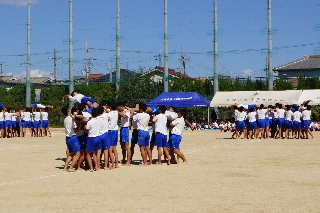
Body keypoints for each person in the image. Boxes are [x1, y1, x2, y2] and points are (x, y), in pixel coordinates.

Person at [61, 106, 80, 172]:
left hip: (67, 138)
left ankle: (65, 167)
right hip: (72, 137)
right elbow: (75, 129)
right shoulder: (71, 119)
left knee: (71, 154)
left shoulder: (65, 119)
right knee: (78, 154)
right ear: (68, 111)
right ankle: (71, 167)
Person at [108, 102, 119, 169]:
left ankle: (112, 164)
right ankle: (116, 163)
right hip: (115, 130)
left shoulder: (108, 114)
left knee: (110, 149)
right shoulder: (116, 113)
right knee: (114, 149)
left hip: (110, 130)